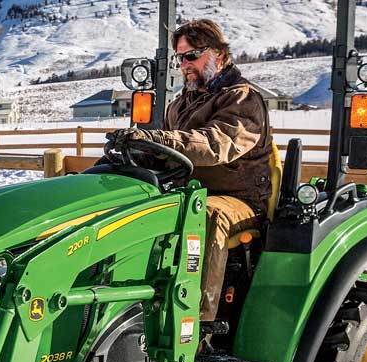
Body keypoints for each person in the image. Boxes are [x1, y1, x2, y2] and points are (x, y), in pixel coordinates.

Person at [110, 19, 274, 322]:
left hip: (237, 198)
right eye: (180, 58)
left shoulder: (242, 99)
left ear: (219, 55)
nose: (185, 64)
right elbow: (167, 155)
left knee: (205, 215)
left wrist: (156, 138)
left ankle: (195, 323)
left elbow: (214, 144)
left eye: (192, 55)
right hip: (188, 192)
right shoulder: (179, 105)